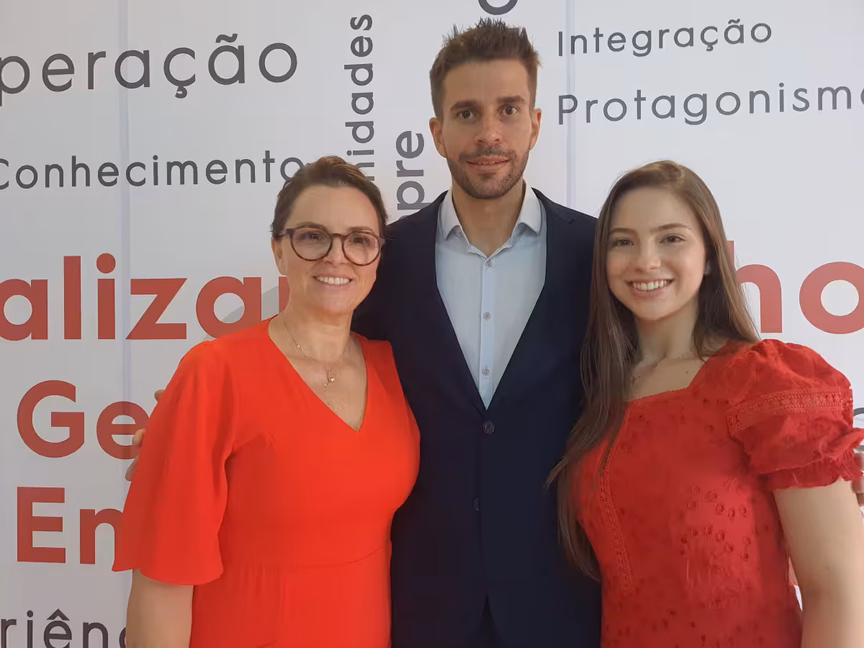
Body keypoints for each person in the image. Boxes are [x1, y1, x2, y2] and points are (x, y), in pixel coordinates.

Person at [125, 18, 864, 648]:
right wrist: (187, 439)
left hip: (564, 605)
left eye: (509, 109)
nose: (489, 132)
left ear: (535, 123)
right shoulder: (383, 259)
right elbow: (315, 364)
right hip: (418, 608)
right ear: (437, 131)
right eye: (467, 113)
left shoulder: (600, 256)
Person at [550, 160, 864, 648]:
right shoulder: (596, 396)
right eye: (623, 242)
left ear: (711, 255)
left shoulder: (764, 383)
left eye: (671, 238)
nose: (646, 260)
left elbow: (839, 590)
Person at [112, 156, 421, 648]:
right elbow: (162, 583)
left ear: (377, 257)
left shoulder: (393, 370)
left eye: (359, 240)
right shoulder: (215, 373)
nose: (336, 257)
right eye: (313, 236)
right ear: (279, 251)